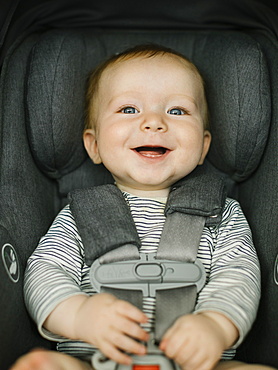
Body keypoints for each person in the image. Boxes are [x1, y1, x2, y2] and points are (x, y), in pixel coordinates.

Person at [10, 45, 275, 370]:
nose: (153, 122)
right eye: (128, 109)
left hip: (195, 363)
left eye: (177, 111)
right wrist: (79, 315)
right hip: (95, 359)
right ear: (94, 145)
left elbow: (238, 275)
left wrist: (216, 325)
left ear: (204, 146)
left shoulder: (222, 213)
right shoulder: (80, 213)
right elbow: (46, 271)